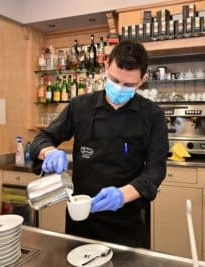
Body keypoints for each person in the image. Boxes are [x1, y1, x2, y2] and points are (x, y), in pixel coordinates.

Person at [30, 40, 168, 248]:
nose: (120, 88)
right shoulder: (80, 106)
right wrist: (48, 152)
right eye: (114, 80)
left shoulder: (153, 115)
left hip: (127, 224)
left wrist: (122, 195)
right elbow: (42, 139)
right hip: (81, 222)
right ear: (105, 67)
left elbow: (156, 169)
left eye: (129, 85)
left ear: (143, 80)